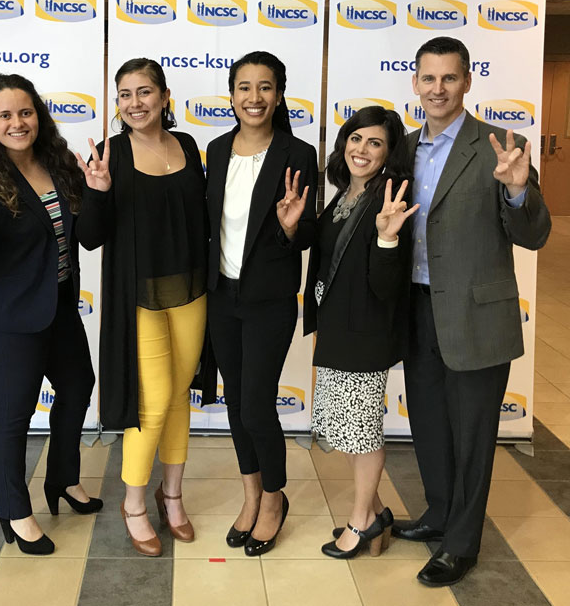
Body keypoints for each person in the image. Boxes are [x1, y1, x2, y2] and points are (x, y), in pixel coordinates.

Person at [394, 36, 551, 586]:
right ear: (414, 82)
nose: (438, 89)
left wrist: (516, 191)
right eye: (428, 78)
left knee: (473, 436)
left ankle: (461, 543)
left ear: (467, 81)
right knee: (431, 426)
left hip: (475, 315)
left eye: (450, 78)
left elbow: (535, 234)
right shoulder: (403, 147)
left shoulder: (500, 146)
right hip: (417, 308)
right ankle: (439, 515)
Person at [0, 74, 101, 556]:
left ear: (39, 115)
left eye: (26, 112)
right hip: (10, 317)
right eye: (6, 115)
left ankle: (62, 479)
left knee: (78, 387)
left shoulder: (60, 164)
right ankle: (15, 510)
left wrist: (97, 191)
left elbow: (90, 237)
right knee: (13, 416)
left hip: (58, 305)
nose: (18, 122)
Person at [76, 58, 209, 557]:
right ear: (117, 103)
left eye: (145, 92)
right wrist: (98, 192)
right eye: (125, 94)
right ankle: (134, 502)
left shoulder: (189, 145)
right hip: (141, 299)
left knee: (179, 395)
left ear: (165, 96)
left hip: (192, 292)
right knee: (151, 404)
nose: (135, 103)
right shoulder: (113, 153)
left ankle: (171, 494)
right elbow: (90, 238)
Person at [206, 50, 318, 556]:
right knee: (236, 405)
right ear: (232, 94)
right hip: (221, 299)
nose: (254, 97)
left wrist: (293, 227)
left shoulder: (298, 154)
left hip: (269, 302)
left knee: (256, 405)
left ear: (279, 94)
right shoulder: (215, 149)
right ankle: (250, 497)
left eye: (265, 87)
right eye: (245, 87)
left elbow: (307, 233)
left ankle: (274, 500)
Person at [302, 106, 418, 559]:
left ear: (389, 154)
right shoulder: (344, 194)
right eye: (355, 139)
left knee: (361, 434)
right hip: (338, 329)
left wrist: (388, 237)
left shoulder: (386, 199)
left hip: (366, 334)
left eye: (375, 143)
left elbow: (387, 286)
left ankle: (361, 522)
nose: (362, 149)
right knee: (346, 431)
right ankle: (380, 513)